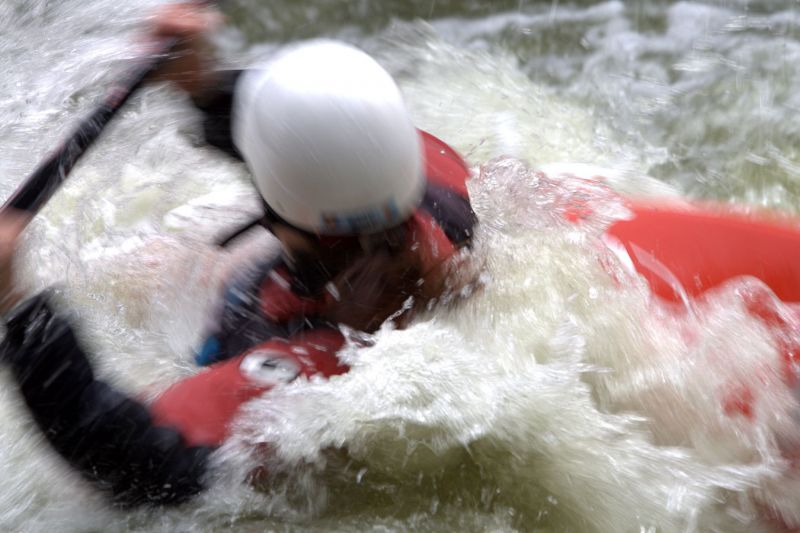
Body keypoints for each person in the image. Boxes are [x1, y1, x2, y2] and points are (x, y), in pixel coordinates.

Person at [0, 3, 477, 507]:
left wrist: (21, 309)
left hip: (285, 374)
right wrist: (202, 85)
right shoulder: (435, 178)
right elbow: (320, 144)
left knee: (156, 261)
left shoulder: (317, 359)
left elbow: (137, 468)